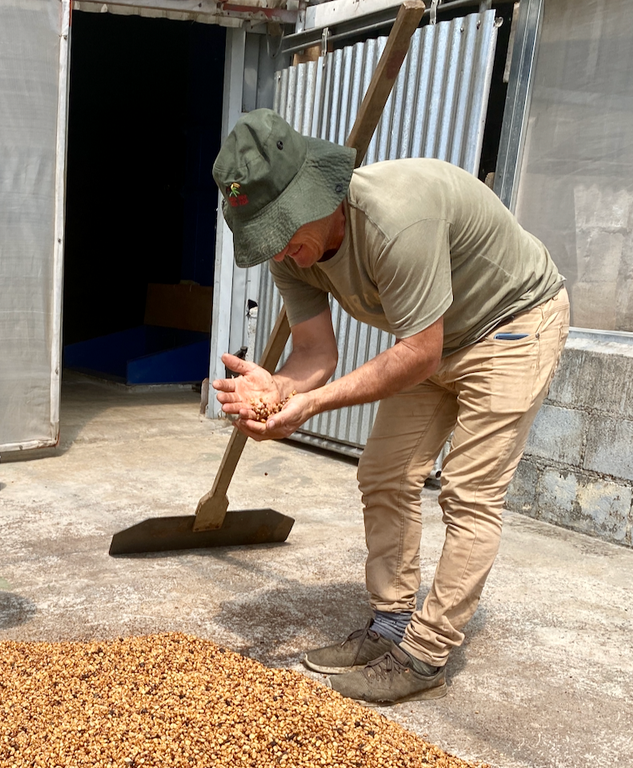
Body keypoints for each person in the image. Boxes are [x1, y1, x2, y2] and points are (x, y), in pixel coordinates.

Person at [211, 109, 569, 704]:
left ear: (317, 196)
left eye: (284, 230)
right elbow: (313, 354)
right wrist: (278, 392)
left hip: (512, 324)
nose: (286, 253)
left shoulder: (397, 219)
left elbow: (419, 354)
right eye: (267, 237)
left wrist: (311, 405)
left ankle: (425, 655)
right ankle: (392, 625)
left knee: (468, 492)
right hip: (434, 338)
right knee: (383, 472)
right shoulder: (290, 252)